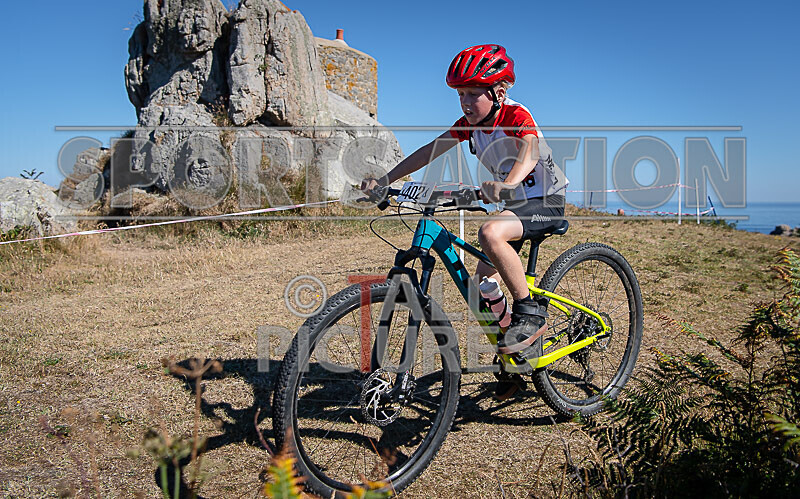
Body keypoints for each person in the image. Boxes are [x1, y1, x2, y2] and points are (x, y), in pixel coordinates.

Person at [361, 45, 569, 400]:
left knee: (489, 232)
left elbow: (529, 149)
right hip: (512, 206)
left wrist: (508, 184)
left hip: (543, 202)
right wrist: (386, 179)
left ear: (498, 92)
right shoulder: (470, 126)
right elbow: (431, 149)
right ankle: (516, 358)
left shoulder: (516, 115)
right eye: (461, 94)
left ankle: (529, 314)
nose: (466, 102)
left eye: (474, 93)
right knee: (483, 285)